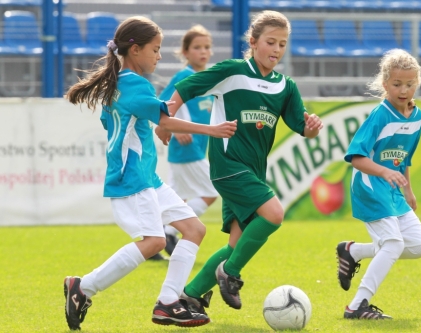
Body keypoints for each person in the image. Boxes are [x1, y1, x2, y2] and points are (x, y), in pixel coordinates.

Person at [63, 16, 237, 330]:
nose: (158, 56)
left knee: (195, 230)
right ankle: (83, 287)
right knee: (154, 242)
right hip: (133, 180)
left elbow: (148, 117)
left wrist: (158, 123)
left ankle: (169, 302)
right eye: (155, 49)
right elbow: (166, 120)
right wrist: (212, 130)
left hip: (147, 179)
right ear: (135, 49)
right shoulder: (133, 83)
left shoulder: (119, 85)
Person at [155, 10, 324, 319]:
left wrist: (312, 127)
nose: (276, 50)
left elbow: (303, 126)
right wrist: (166, 120)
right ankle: (229, 274)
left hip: (253, 171)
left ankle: (190, 295)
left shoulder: (285, 86)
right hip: (227, 164)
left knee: (236, 244)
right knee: (274, 214)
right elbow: (187, 87)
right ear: (253, 41)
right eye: (270, 42)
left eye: (282, 44)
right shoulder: (232, 71)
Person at [336, 49, 421, 320]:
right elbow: (356, 157)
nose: (404, 89)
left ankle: (353, 251)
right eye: (397, 84)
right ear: (385, 84)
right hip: (369, 185)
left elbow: (404, 158)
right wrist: (385, 173)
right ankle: (357, 306)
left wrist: (408, 189)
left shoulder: (418, 117)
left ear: (417, 83)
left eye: (410, 84)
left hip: (392, 190)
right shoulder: (380, 114)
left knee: (420, 245)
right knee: (392, 244)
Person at [157, 24, 219, 258]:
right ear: (185, 52)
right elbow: (164, 104)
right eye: (196, 47)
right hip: (187, 147)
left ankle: (157, 235)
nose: (203, 52)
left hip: (198, 147)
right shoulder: (184, 76)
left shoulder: (208, 79)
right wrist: (174, 126)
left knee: (177, 198)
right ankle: (168, 232)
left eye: (207, 47)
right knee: (212, 190)